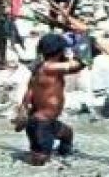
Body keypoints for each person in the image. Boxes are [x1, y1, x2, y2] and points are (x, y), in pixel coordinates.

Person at [14, 33, 86, 165]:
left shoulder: (39, 69)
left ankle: (63, 157)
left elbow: (29, 93)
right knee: (40, 160)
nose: (66, 54)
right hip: (41, 124)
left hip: (45, 122)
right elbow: (77, 66)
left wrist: (23, 113)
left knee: (67, 134)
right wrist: (86, 44)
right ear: (58, 52)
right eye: (65, 51)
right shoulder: (49, 68)